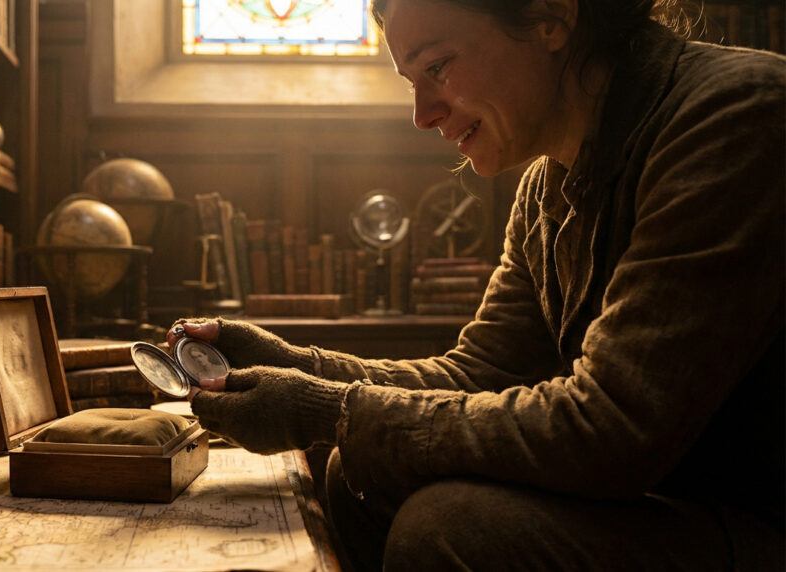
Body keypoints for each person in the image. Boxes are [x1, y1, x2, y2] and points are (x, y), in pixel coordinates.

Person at [169, 0, 785, 569]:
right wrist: (303, 368)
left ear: (550, 15)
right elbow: (479, 374)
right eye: (413, 83)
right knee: (359, 480)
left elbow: (612, 432)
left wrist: (327, 410)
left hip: (750, 523)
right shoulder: (549, 182)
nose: (422, 115)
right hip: (660, 507)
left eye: (438, 66)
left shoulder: (734, 116)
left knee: (446, 528)